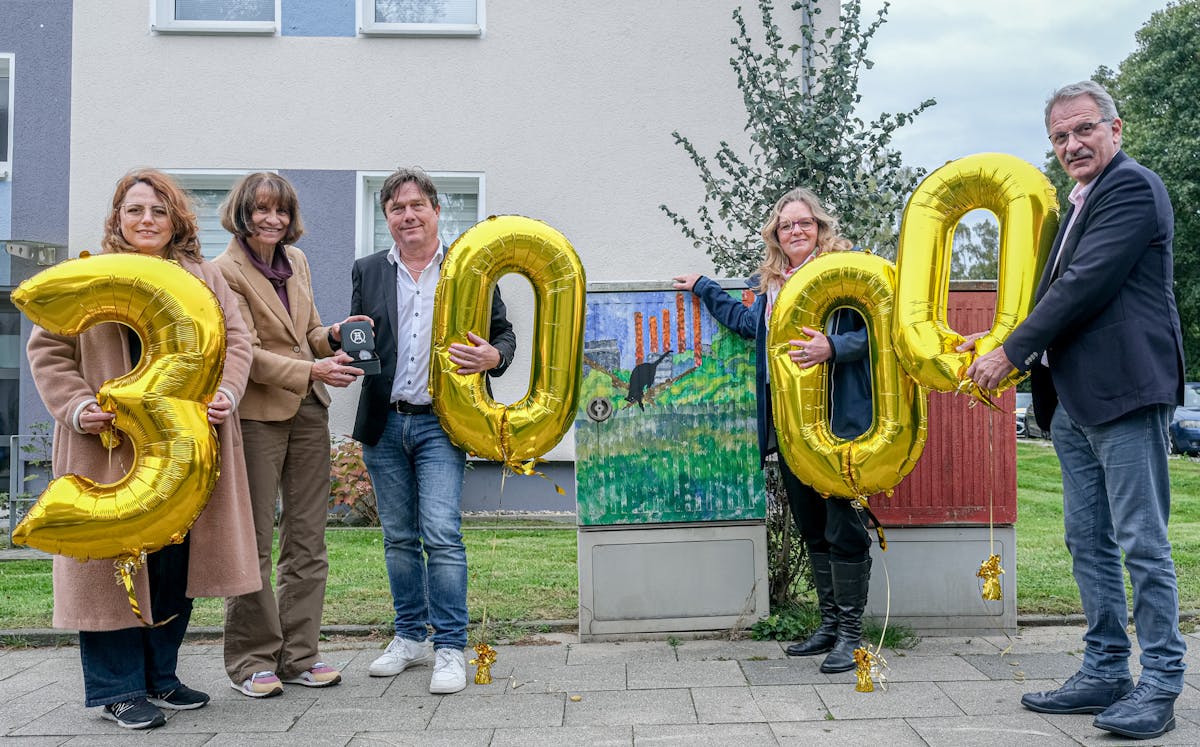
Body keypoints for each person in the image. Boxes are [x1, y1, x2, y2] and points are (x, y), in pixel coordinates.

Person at [964, 80, 1186, 741]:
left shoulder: (1132, 188)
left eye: (1083, 129)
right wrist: (1000, 337)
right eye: (1059, 137)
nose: (1071, 144)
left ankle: (1162, 683)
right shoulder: (1079, 205)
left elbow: (1086, 286)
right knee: (1087, 542)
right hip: (1077, 402)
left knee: (1142, 543)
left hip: (1123, 393)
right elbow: (1055, 292)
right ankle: (1105, 668)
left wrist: (1011, 353)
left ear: (1117, 130)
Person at [26, 169, 260, 729]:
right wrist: (79, 406)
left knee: (175, 561)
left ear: (176, 218)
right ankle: (117, 688)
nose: (147, 220)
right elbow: (48, 350)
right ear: (118, 219)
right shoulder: (89, 274)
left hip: (185, 451)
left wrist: (227, 391)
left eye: (158, 210)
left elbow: (238, 340)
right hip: (107, 446)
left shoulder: (205, 277)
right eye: (135, 210)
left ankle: (162, 676)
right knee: (110, 564)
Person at [673, 186, 872, 674]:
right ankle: (828, 625)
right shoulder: (776, 284)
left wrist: (834, 346)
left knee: (843, 521)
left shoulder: (844, 271)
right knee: (811, 524)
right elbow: (748, 325)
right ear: (776, 236)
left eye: (804, 223)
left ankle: (852, 635)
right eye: (786, 226)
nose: (795, 231)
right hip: (787, 423)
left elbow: (878, 329)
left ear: (820, 228)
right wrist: (704, 286)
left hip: (834, 421)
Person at [350, 167, 516, 694]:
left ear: (437, 210)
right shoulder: (368, 269)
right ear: (387, 218)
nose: (408, 216)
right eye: (396, 208)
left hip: (443, 425)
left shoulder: (468, 268)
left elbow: (504, 336)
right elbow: (360, 337)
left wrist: (495, 356)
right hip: (384, 421)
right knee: (399, 538)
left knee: (442, 536)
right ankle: (409, 637)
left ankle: (450, 646)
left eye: (417, 205)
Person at [213, 173, 371, 698]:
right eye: (261, 210)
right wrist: (310, 371)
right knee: (255, 541)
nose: (272, 220)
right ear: (243, 213)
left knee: (308, 540)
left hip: (308, 412)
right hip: (257, 415)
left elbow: (304, 332)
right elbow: (245, 353)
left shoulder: (296, 262)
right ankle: (252, 660)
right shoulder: (223, 272)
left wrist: (331, 338)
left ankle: (299, 655)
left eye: (280, 211)